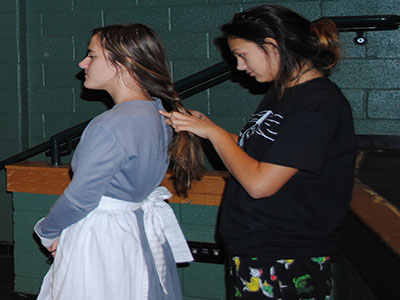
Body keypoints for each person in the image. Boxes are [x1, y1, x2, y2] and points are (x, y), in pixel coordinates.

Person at [160, 5, 355, 300]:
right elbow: (261, 153)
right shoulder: (283, 94)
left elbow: (260, 183)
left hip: (287, 256)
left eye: (242, 55)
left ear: (272, 47)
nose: (239, 66)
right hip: (259, 251)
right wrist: (211, 129)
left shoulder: (319, 103)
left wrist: (214, 134)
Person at [34, 23, 203, 300]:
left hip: (104, 241)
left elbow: (80, 199)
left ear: (123, 63)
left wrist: (46, 230)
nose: (83, 63)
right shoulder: (158, 114)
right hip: (135, 235)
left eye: (92, 55)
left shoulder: (111, 124)